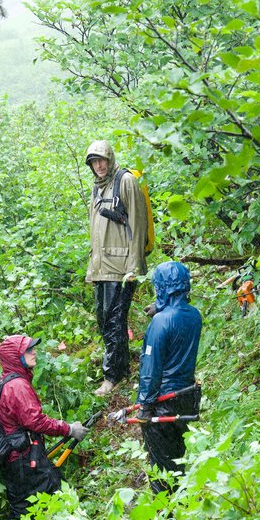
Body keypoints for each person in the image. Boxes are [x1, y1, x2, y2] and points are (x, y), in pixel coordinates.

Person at [0, 334, 88, 520]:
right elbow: (35, 421)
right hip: (24, 461)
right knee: (59, 497)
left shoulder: (7, 382)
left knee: (24, 509)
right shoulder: (17, 386)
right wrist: (69, 429)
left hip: (16, 459)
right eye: (28, 349)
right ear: (16, 356)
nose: (34, 352)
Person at [85, 140, 148, 396]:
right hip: (103, 268)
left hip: (121, 268)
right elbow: (96, 231)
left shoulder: (126, 182)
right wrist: (93, 269)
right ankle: (120, 368)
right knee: (104, 321)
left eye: (101, 160)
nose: (98, 165)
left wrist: (134, 267)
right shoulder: (97, 188)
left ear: (110, 158)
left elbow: (138, 223)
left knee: (114, 322)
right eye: (93, 162)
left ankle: (113, 376)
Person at [135, 261, 202, 493]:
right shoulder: (195, 315)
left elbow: (151, 368)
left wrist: (145, 404)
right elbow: (178, 316)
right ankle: (180, 508)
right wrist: (161, 308)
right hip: (186, 397)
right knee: (177, 460)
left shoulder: (160, 322)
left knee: (161, 467)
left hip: (161, 401)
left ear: (162, 287)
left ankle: (167, 517)